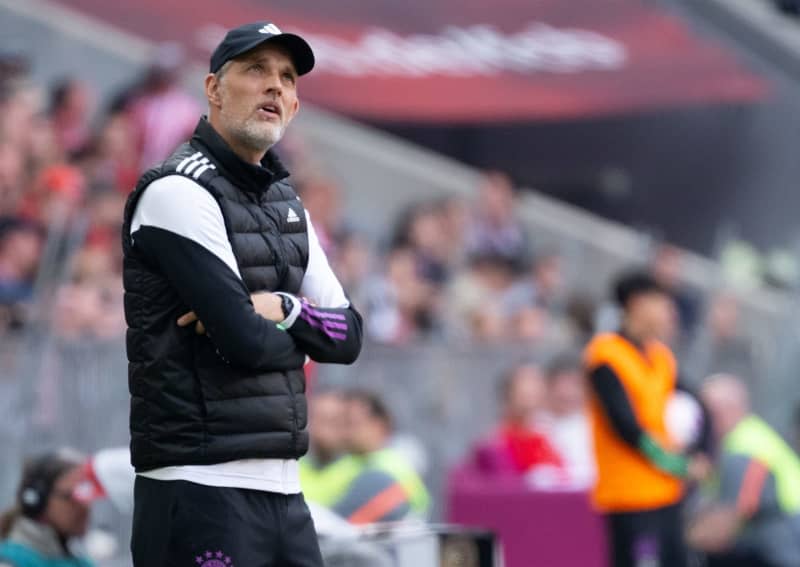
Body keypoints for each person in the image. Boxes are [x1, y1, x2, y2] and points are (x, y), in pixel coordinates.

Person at [122, 22, 363, 567]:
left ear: (297, 105)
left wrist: (282, 308)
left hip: (283, 492)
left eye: (286, 77)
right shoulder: (176, 190)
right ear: (212, 89)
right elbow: (244, 342)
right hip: (197, 486)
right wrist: (296, 333)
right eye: (256, 70)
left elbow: (350, 335)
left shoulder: (287, 204)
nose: (274, 86)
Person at [584, 271, 712, 567]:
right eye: (662, 302)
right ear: (637, 303)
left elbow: (696, 403)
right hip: (630, 497)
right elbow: (625, 426)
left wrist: (701, 452)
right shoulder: (606, 356)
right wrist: (679, 464)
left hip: (667, 494)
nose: (670, 312)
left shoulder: (661, 357)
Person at [688, 374, 800, 567]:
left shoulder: (744, 449)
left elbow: (725, 526)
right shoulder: (749, 435)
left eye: (706, 413)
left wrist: (674, 540)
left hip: (783, 545)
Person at [333, 390, 430, 524]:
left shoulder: (388, 469)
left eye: (352, 424)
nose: (344, 432)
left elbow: (338, 522)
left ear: (379, 425)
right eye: (340, 424)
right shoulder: (350, 462)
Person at [0, 450, 97, 567]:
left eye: (87, 495)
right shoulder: (10, 561)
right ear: (37, 501)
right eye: (73, 496)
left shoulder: (80, 561)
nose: (84, 506)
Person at [538, 354, 594, 488]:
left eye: (575, 384)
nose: (568, 393)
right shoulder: (533, 426)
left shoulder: (595, 426)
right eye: (562, 385)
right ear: (548, 386)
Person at [299, 390, 361, 509]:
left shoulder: (362, 473)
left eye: (333, 421)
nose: (323, 430)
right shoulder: (291, 467)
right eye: (319, 419)